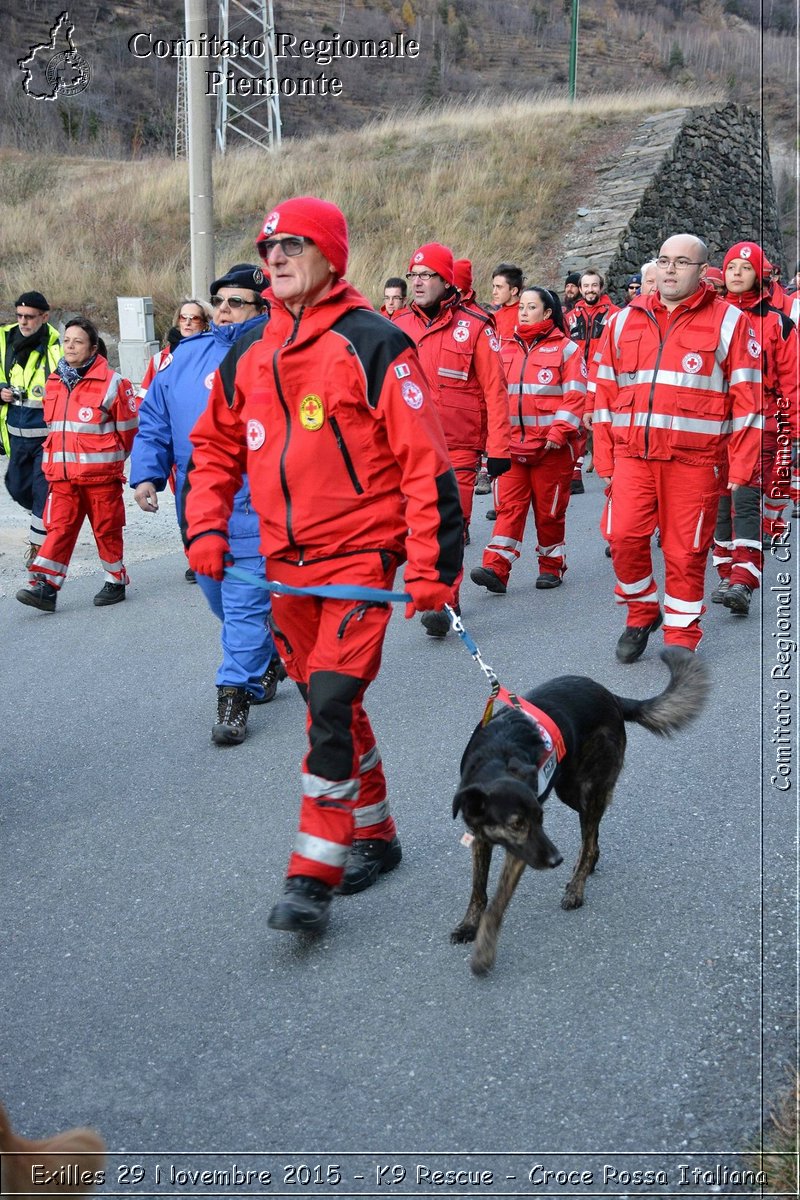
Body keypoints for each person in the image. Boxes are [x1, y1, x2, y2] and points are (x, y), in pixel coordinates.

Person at [183, 196, 463, 934]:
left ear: (331, 254)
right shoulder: (248, 348)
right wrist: (205, 527)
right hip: (281, 567)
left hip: (359, 560)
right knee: (327, 707)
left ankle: (313, 871)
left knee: (333, 704)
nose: (274, 256)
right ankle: (376, 833)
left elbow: (426, 467)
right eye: (267, 245)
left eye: (293, 244)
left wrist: (435, 569)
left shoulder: (373, 342)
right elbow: (213, 448)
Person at [131, 264, 284, 745]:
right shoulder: (185, 357)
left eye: (235, 302)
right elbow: (154, 417)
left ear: (263, 308)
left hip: (256, 504)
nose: (222, 310)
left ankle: (233, 695)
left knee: (241, 604)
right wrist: (146, 475)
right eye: (219, 301)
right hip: (197, 502)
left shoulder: (280, 353)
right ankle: (269, 653)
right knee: (219, 596)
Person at [590, 233, 763, 659]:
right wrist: (603, 454)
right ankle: (641, 610)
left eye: (681, 262)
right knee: (625, 538)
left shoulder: (729, 322)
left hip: (696, 460)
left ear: (702, 273)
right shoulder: (622, 321)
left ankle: (682, 633)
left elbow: (749, 399)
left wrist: (742, 466)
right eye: (664, 260)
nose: (669, 269)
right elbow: (604, 394)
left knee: (685, 551)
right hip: (632, 456)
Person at [393, 241, 510, 635]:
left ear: (446, 282)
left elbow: (495, 390)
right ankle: (429, 588)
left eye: (427, 276)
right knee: (415, 526)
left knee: (451, 523)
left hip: (457, 445)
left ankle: (446, 600)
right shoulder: (395, 326)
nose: (419, 282)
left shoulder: (475, 326)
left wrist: (498, 449)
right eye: (415, 275)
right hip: (406, 446)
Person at [16, 318, 138, 612]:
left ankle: (115, 580)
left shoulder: (114, 383)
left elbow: (129, 429)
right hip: (62, 476)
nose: (69, 346)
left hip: (100, 477)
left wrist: (111, 460)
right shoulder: (54, 381)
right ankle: (46, 587)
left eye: (77, 341)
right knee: (59, 529)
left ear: (94, 348)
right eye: (66, 340)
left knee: (107, 529)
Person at [470, 287, 586, 594]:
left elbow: (576, 395)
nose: (522, 312)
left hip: (551, 449)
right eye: (521, 306)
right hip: (512, 449)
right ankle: (496, 567)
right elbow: (491, 396)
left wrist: (559, 431)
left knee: (549, 514)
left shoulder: (567, 350)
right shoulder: (504, 348)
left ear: (547, 313)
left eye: (530, 307)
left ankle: (551, 565)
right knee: (509, 508)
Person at [710, 241, 798, 614]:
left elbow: (792, 380)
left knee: (745, 497)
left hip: (762, 423)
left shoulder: (779, 322)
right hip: (715, 426)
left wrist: (793, 430)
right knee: (720, 503)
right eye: (731, 267)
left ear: (760, 274)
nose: (736, 274)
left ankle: (744, 578)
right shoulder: (711, 318)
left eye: (745, 268)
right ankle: (727, 572)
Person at [0, 291, 62, 563]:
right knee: (15, 486)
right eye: (20, 316)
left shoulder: (56, 347)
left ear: (44, 317)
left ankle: (39, 553)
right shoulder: (5, 339)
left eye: (30, 317)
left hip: (45, 439)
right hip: (15, 435)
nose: (24, 322)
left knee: (41, 492)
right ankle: (49, 516)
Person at [566, 269, 620, 493]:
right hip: (578, 376)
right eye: (586, 286)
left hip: (604, 376)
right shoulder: (570, 317)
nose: (590, 290)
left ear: (601, 287)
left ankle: (616, 473)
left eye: (594, 285)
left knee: (609, 425)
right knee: (577, 426)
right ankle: (575, 473)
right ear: (580, 289)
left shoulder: (615, 314)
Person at [138, 298, 213, 401]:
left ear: (205, 323)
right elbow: (144, 398)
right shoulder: (160, 358)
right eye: (183, 317)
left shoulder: (213, 355)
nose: (187, 322)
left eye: (194, 318)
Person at [490, 262, 523, 344]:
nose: (494, 292)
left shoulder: (527, 315)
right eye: (493, 286)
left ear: (513, 290)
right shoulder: (494, 317)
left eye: (499, 287)